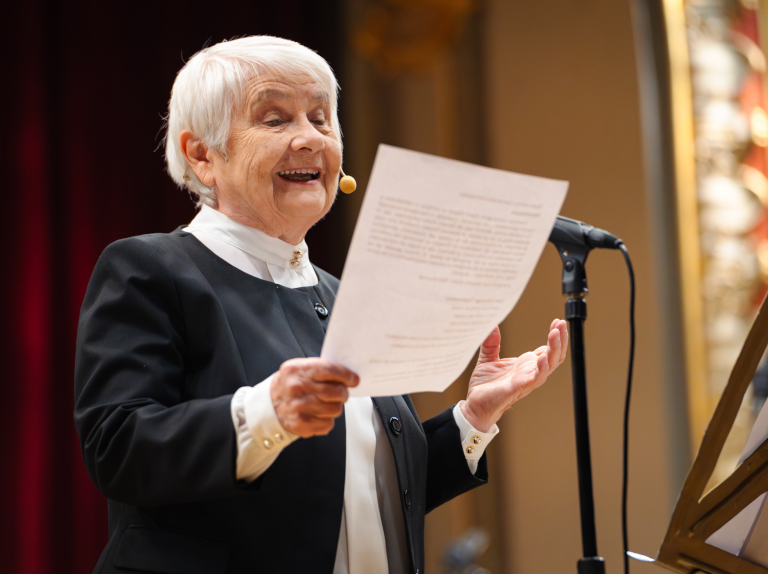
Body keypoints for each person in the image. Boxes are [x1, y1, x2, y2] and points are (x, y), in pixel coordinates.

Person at [74, 36, 568, 574]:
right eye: (274, 119)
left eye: (321, 117)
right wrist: (268, 413)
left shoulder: (342, 294)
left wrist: (473, 417)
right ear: (202, 155)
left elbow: (359, 494)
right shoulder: (152, 271)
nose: (309, 139)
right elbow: (118, 449)